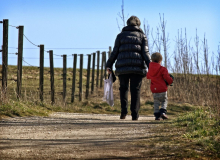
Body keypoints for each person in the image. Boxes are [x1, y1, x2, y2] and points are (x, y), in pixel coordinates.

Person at [106, 16, 151, 120]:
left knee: (123, 89)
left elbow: (115, 52)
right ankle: (135, 115)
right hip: (137, 69)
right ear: (138, 24)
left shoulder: (120, 36)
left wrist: (109, 65)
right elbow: (145, 53)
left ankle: (123, 112)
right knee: (136, 90)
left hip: (123, 68)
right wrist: (151, 66)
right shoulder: (142, 36)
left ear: (127, 24)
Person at [146, 52, 174, 120]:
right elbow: (167, 77)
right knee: (164, 100)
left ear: (152, 60)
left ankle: (156, 115)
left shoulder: (150, 69)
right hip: (162, 88)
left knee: (156, 101)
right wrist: (171, 81)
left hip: (154, 89)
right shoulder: (162, 69)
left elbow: (148, 76)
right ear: (160, 61)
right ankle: (163, 112)